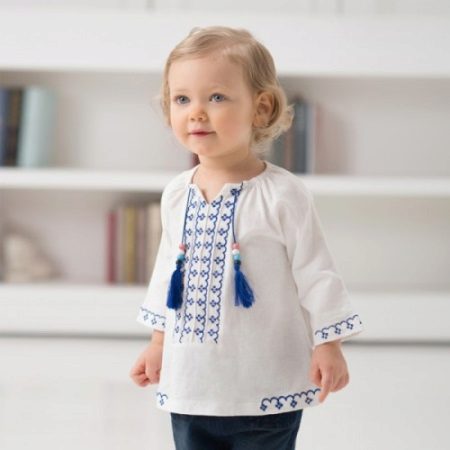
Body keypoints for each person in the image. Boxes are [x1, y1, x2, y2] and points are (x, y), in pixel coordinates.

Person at [130, 26, 364, 450]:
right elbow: (167, 273)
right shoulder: (177, 193)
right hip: (191, 387)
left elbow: (316, 272)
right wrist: (158, 342)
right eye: (182, 99)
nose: (196, 113)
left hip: (265, 391)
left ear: (261, 107)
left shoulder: (283, 195)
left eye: (216, 97)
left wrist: (328, 343)